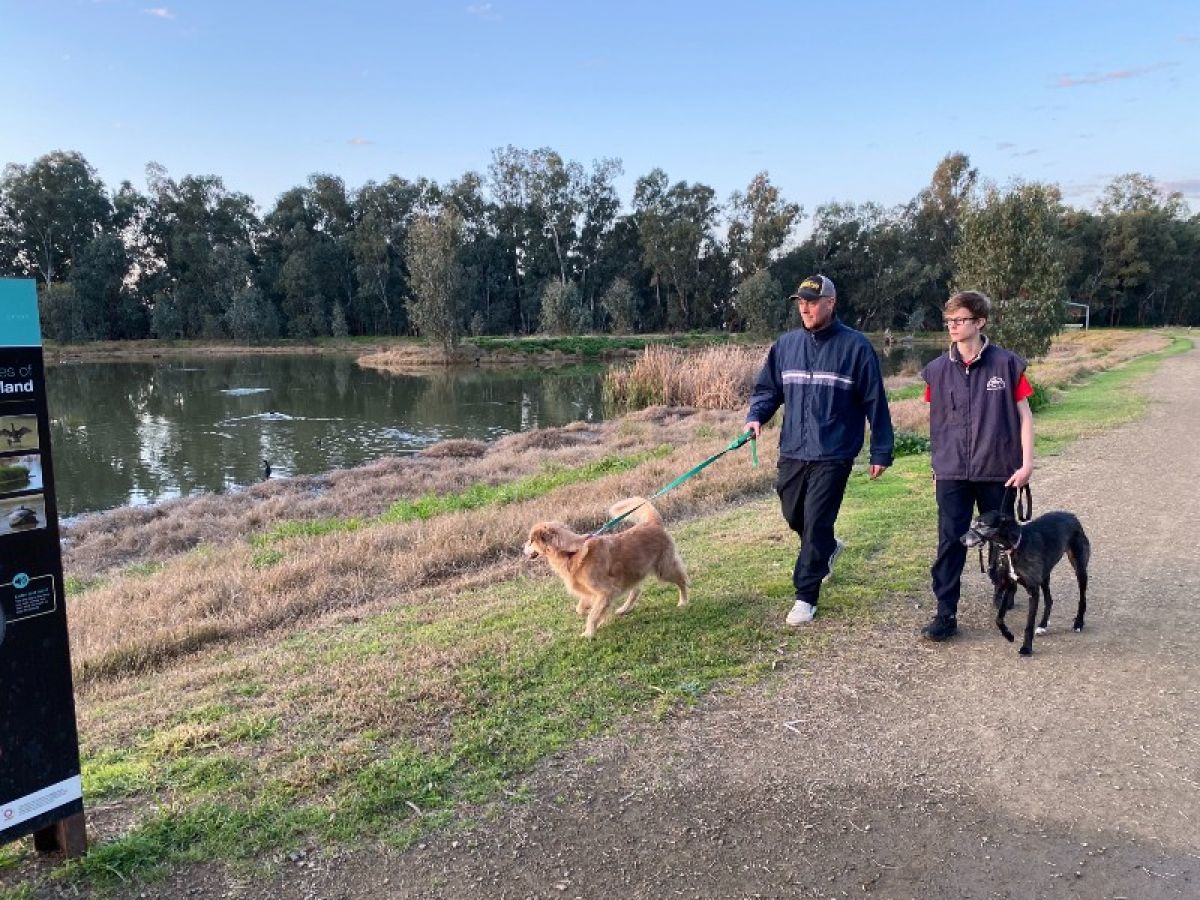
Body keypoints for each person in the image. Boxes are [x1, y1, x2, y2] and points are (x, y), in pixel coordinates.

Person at [744, 275, 894, 626]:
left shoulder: (856, 347)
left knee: (815, 521)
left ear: (831, 302)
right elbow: (768, 390)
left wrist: (881, 450)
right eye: (801, 302)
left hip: (835, 450)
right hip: (794, 447)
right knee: (794, 514)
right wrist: (756, 417)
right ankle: (827, 547)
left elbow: (876, 401)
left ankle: (805, 596)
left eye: (812, 301)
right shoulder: (786, 345)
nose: (806, 308)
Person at [920, 290, 1035, 642]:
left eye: (960, 320)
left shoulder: (1007, 365)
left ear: (980, 322)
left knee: (1003, 539)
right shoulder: (936, 371)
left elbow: (1025, 417)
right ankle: (946, 612)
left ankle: (1005, 587)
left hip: (999, 470)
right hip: (952, 472)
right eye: (949, 321)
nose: (953, 326)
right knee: (950, 542)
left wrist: (1026, 465)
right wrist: (936, 465)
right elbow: (935, 419)